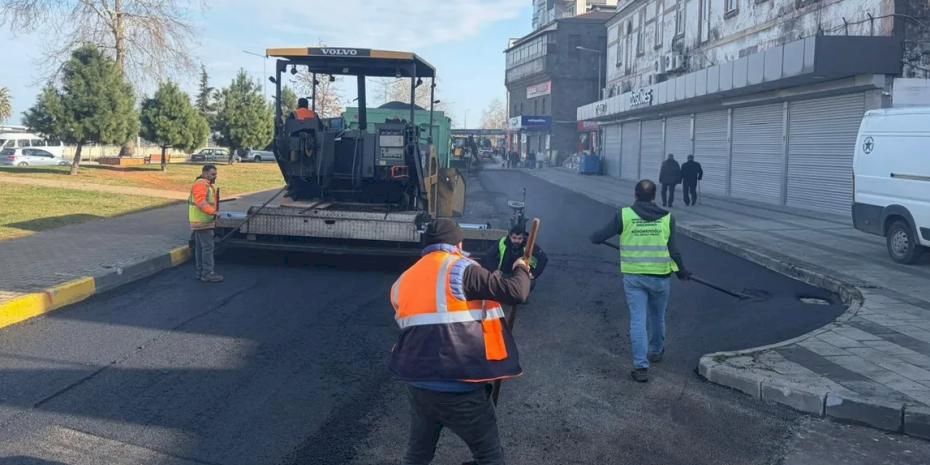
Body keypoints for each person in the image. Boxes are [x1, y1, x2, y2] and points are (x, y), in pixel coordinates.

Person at [390, 219, 531, 465]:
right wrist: (521, 269)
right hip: (459, 385)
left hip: (418, 384)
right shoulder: (462, 269)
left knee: (418, 454)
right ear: (459, 243)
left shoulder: (403, 280)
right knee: (489, 455)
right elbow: (516, 292)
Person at [589, 179, 690, 383]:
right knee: (657, 316)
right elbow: (674, 251)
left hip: (635, 277)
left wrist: (595, 237)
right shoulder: (668, 218)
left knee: (638, 320)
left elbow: (599, 236)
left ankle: (641, 366)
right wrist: (682, 272)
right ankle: (655, 351)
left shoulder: (624, 215)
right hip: (661, 277)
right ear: (654, 196)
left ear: (635, 195)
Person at [484, 225, 548, 289]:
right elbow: (489, 256)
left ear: (524, 238)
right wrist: (494, 270)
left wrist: (534, 274)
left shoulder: (529, 245)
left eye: (519, 238)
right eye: (514, 238)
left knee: (529, 284)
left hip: (522, 276)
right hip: (504, 274)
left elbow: (543, 258)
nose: (516, 241)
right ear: (509, 236)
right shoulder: (502, 242)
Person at [189, 164, 223, 283]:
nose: (215, 177)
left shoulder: (204, 184)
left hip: (201, 221)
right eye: (213, 174)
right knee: (208, 248)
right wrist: (214, 212)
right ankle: (207, 273)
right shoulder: (201, 184)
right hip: (203, 221)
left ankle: (200, 272)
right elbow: (201, 203)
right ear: (204, 173)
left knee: (200, 249)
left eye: (216, 174)